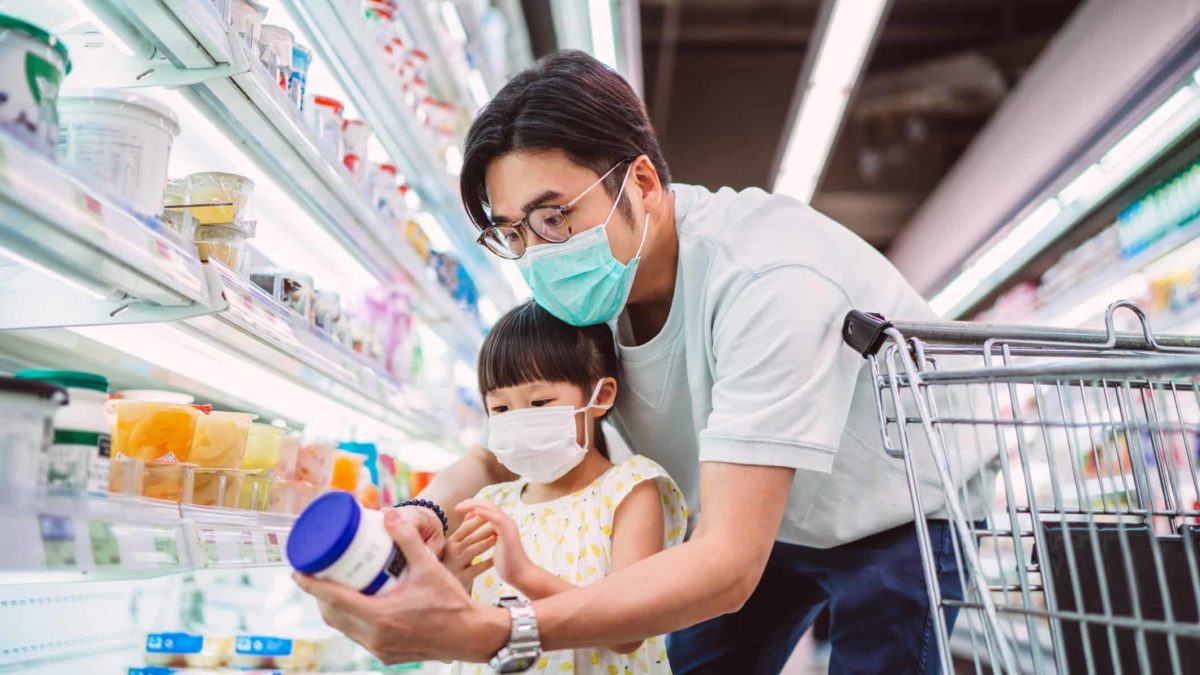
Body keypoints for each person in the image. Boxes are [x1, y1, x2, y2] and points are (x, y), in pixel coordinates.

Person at [294, 49, 995, 674]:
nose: (539, 252)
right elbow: (503, 450)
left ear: (643, 184)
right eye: (512, 231)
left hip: (902, 510)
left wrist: (499, 631)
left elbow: (727, 565)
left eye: (553, 215)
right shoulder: (589, 290)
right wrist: (425, 510)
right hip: (754, 515)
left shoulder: (768, 280)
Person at [443, 300, 686, 675]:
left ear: (600, 396)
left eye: (539, 402)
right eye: (501, 409)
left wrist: (523, 574)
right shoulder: (490, 504)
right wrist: (454, 586)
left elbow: (628, 631)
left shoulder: (629, 491)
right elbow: (452, 646)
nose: (519, 420)